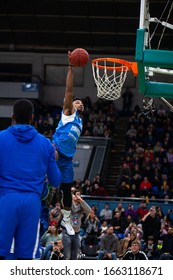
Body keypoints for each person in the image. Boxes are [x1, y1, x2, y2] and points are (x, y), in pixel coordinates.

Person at [0, 99, 62, 260]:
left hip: (5, 200)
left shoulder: (1, 138)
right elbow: (56, 180)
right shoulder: (45, 144)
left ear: (12, 116)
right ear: (32, 117)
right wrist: (54, 159)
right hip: (31, 203)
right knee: (25, 260)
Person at [52, 53, 84, 233]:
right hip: (55, 149)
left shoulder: (80, 122)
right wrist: (71, 68)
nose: (79, 103)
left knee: (67, 189)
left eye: (81, 103)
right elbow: (69, 91)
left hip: (67, 159)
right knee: (52, 156)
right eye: (77, 102)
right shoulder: (68, 112)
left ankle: (65, 219)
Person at [62, 188, 91, 259]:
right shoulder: (68, 204)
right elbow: (63, 201)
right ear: (72, 196)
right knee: (67, 256)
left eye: (79, 195)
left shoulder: (81, 206)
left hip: (77, 233)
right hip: (67, 233)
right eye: (76, 195)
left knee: (74, 256)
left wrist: (81, 201)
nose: (78, 196)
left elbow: (89, 211)